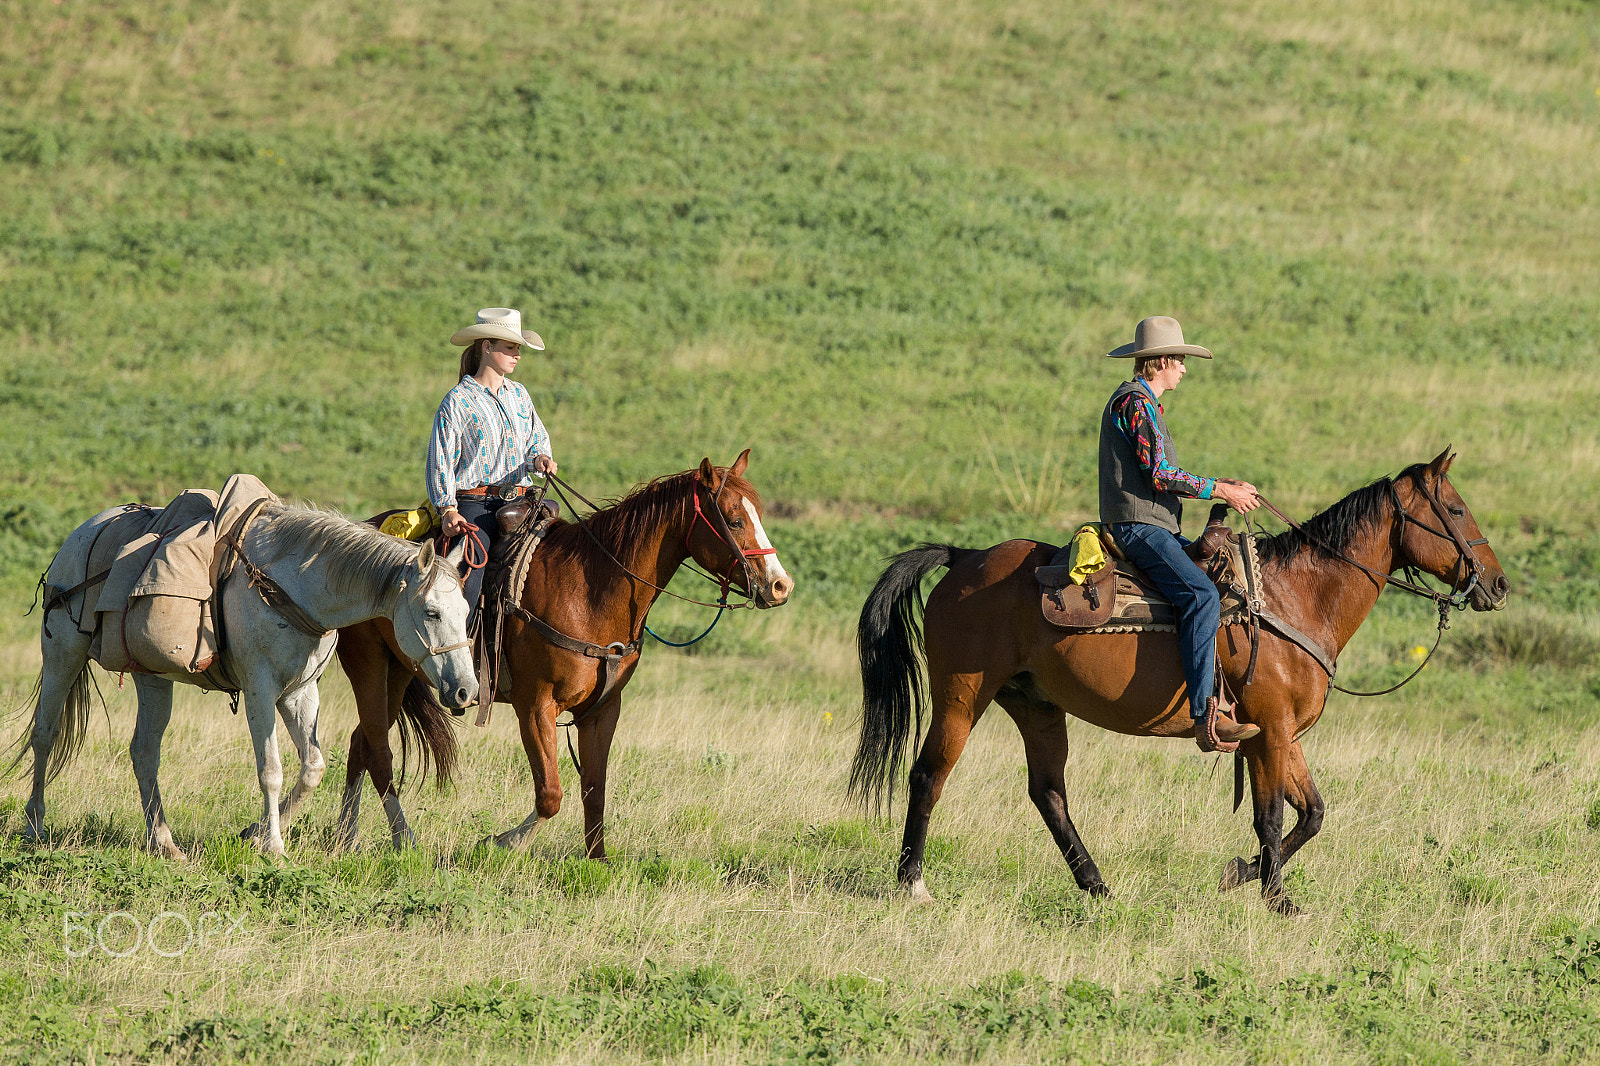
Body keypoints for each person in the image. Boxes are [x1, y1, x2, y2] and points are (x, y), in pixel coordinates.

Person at [1098, 315, 1261, 752]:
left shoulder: (1144, 404)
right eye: (1181, 361)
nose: (1185, 370)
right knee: (1201, 596)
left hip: (1154, 526)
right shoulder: (1134, 404)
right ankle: (1206, 713)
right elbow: (1159, 474)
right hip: (1137, 527)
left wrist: (1221, 485)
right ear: (1163, 361)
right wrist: (1219, 488)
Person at [426, 307, 557, 625]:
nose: (517, 356)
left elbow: (533, 442)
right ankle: (459, 648)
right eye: (510, 348)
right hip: (475, 505)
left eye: (518, 349)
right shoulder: (457, 401)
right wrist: (448, 509)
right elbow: (441, 460)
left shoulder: (520, 395)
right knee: (468, 583)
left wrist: (539, 459)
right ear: (487, 346)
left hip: (521, 499)